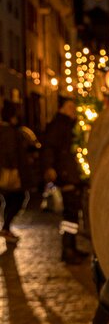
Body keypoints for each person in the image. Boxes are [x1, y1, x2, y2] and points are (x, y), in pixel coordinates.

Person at [41, 95, 87, 264]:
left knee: (73, 213)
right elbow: (49, 149)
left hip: (70, 174)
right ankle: (68, 249)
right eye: (70, 107)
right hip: (66, 175)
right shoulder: (59, 126)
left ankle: (71, 247)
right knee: (70, 213)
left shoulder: (67, 125)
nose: (73, 110)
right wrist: (52, 169)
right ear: (62, 108)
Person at [0, 100, 40, 246]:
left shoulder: (6, 130)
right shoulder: (10, 132)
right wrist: (16, 167)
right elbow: (12, 153)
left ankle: (7, 228)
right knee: (17, 199)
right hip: (13, 174)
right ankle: (6, 228)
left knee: (11, 200)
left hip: (7, 173)